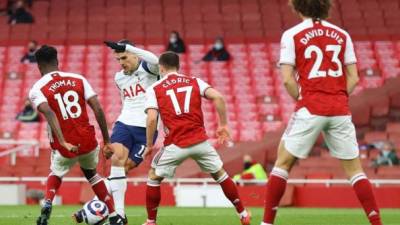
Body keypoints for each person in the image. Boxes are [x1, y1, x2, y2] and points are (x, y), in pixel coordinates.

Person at [261, 1, 383, 225]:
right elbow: (354, 77)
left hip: (310, 106)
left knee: (283, 163)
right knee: (355, 171)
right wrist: (336, 96)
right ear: (325, 7)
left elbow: (288, 79)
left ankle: (266, 223)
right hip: (339, 108)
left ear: (297, 7)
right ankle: (377, 223)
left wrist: (302, 99)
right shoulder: (341, 34)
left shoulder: (292, 34)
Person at [141, 51, 251, 225]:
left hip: (175, 144)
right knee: (220, 175)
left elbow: (152, 118)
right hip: (200, 141)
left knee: (154, 176)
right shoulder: (194, 81)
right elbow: (218, 97)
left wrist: (148, 144)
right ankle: (243, 214)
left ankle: (151, 221)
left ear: (160, 68)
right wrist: (223, 125)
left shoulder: (154, 88)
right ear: (178, 66)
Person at [29, 45, 124, 225]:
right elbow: (97, 108)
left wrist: (63, 141)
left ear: (39, 66)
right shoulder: (78, 79)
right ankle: (113, 216)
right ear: (57, 61)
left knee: (56, 173)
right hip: (88, 140)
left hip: (65, 145)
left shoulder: (37, 88)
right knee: (92, 175)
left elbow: (49, 113)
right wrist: (107, 141)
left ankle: (47, 203)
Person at [73, 40, 159, 224]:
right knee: (117, 161)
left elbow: (156, 59)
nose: (121, 62)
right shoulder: (119, 77)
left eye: (125, 57)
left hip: (147, 129)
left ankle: (93, 205)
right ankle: (119, 214)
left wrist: (128, 48)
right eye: (118, 59)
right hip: (125, 123)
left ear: (135, 54)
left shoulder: (149, 69)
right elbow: (124, 99)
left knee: (125, 167)